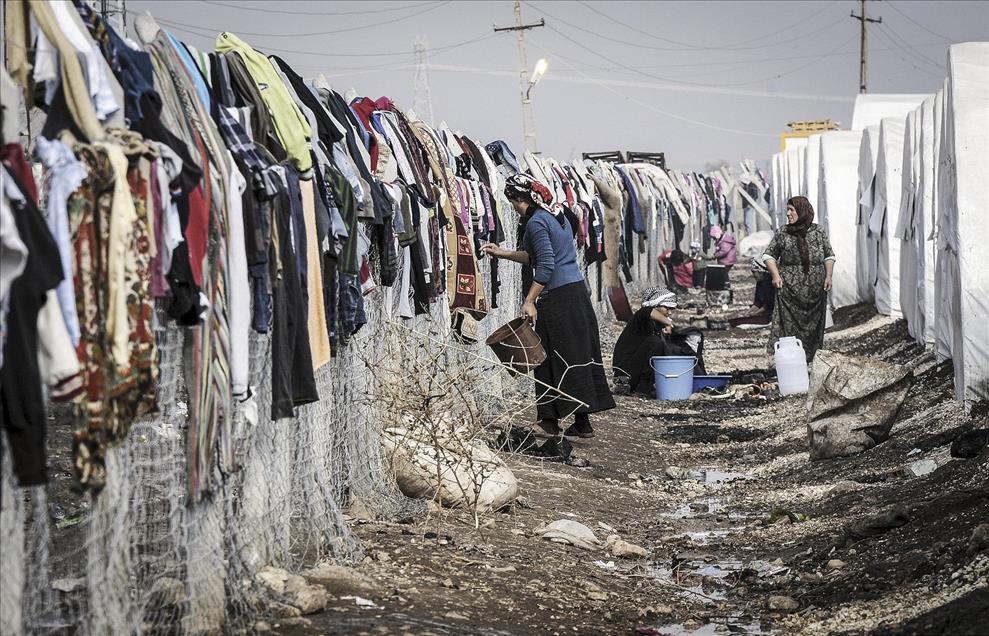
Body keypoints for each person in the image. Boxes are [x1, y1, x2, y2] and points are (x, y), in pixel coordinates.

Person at [482, 174, 614, 439]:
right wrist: (503, 253)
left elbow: (545, 265)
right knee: (576, 356)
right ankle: (582, 423)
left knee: (547, 359)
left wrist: (529, 300)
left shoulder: (536, 223)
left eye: (513, 201)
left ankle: (548, 422)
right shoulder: (556, 215)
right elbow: (540, 256)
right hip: (576, 294)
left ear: (519, 199)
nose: (513, 207)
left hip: (558, 298)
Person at [762, 196, 835, 362]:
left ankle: (811, 359)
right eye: (787, 210)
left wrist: (829, 276)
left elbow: (829, 255)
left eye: (791, 210)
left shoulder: (818, 232)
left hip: (815, 290)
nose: (788, 214)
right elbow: (768, 255)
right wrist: (775, 275)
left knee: (814, 327)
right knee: (789, 326)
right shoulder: (783, 233)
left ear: (802, 211)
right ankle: (791, 360)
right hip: (790, 292)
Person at [612, 288, 706, 396]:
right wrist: (668, 323)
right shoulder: (640, 319)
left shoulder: (656, 326)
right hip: (624, 373)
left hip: (637, 372)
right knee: (655, 342)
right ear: (655, 306)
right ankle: (643, 388)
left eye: (671, 309)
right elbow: (645, 311)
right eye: (666, 308)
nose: (669, 313)